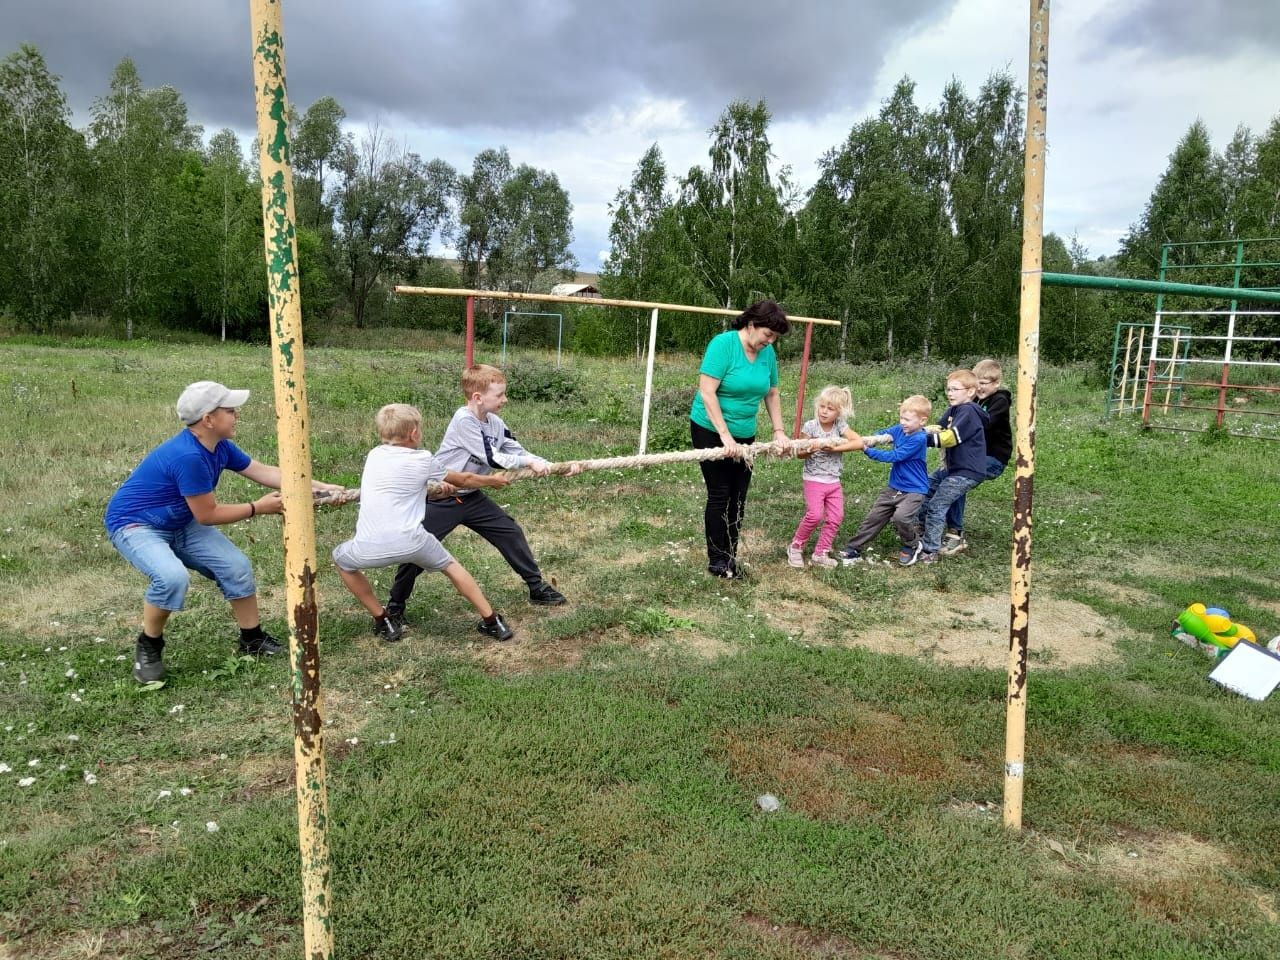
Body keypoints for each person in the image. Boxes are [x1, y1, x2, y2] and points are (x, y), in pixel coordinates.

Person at [104, 380, 344, 683]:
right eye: (230, 410)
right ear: (208, 419)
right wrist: (257, 507)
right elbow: (207, 515)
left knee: (236, 567)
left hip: (180, 521)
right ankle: (149, 645)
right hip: (136, 524)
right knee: (171, 577)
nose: (237, 415)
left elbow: (264, 472)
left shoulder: (219, 447)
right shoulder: (188, 456)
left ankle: (251, 640)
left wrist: (320, 487)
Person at [385, 364, 579, 623]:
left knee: (509, 532)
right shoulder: (463, 420)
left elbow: (516, 450)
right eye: (499, 395)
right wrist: (529, 463)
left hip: (472, 495)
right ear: (478, 397)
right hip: (442, 498)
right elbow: (492, 458)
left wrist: (552, 465)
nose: (504, 400)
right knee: (418, 549)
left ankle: (537, 587)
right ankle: (395, 605)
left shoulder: (495, 423)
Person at [333, 404, 515, 643]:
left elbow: (402, 486)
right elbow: (465, 479)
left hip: (367, 546)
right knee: (452, 567)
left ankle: (382, 618)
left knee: (341, 559)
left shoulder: (374, 455)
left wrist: (439, 489)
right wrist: (492, 481)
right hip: (413, 542)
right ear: (414, 433)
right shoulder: (424, 459)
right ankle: (493, 622)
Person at [689, 300, 792, 578]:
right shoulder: (723, 345)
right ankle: (717, 560)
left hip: (745, 433)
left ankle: (730, 556)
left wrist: (779, 431)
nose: (770, 342)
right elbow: (707, 392)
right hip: (710, 428)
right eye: (767, 334)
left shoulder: (767, 353)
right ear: (751, 325)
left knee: (739, 497)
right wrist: (724, 436)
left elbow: (771, 392)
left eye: (775, 338)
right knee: (720, 493)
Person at [838, 395, 932, 566]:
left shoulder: (919, 439)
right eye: (902, 417)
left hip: (914, 490)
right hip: (894, 487)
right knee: (874, 517)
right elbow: (882, 434)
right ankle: (854, 548)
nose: (903, 422)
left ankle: (913, 544)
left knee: (901, 517)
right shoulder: (900, 429)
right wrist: (873, 440)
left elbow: (896, 456)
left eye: (908, 419)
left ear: (922, 421)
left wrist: (866, 449)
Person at [913, 370, 989, 565]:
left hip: (966, 471)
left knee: (937, 505)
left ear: (971, 391)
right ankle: (919, 532)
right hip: (951, 468)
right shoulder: (954, 410)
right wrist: (914, 429)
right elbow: (938, 428)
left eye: (955, 389)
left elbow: (949, 438)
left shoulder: (969, 411)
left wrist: (921, 439)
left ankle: (930, 550)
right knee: (924, 489)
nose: (950, 393)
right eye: (948, 389)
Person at [938, 359, 1012, 555]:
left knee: (956, 480)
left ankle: (955, 533)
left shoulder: (1000, 401)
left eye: (984, 383)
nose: (979, 387)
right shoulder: (972, 401)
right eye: (977, 382)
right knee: (943, 479)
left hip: (992, 458)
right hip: (969, 457)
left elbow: (981, 424)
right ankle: (922, 521)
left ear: (996, 383)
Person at [786, 385, 863, 568]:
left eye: (830, 409)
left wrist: (835, 448)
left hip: (833, 481)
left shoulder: (840, 426)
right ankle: (796, 546)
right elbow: (799, 453)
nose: (824, 411)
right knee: (815, 515)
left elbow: (858, 442)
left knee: (836, 517)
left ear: (839, 413)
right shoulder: (811, 426)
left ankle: (821, 552)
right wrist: (810, 449)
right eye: (822, 406)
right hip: (814, 479)